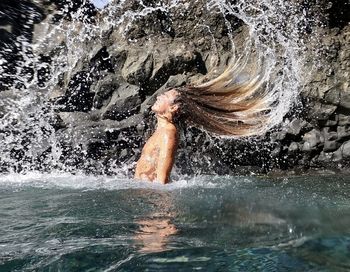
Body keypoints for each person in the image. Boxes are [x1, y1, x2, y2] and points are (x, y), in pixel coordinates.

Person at [134, 60, 271, 184]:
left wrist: (160, 208)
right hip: (143, 189)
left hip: (149, 192)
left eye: (165, 96)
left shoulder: (169, 133)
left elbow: (162, 179)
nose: (159, 96)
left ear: (173, 107)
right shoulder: (162, 130)